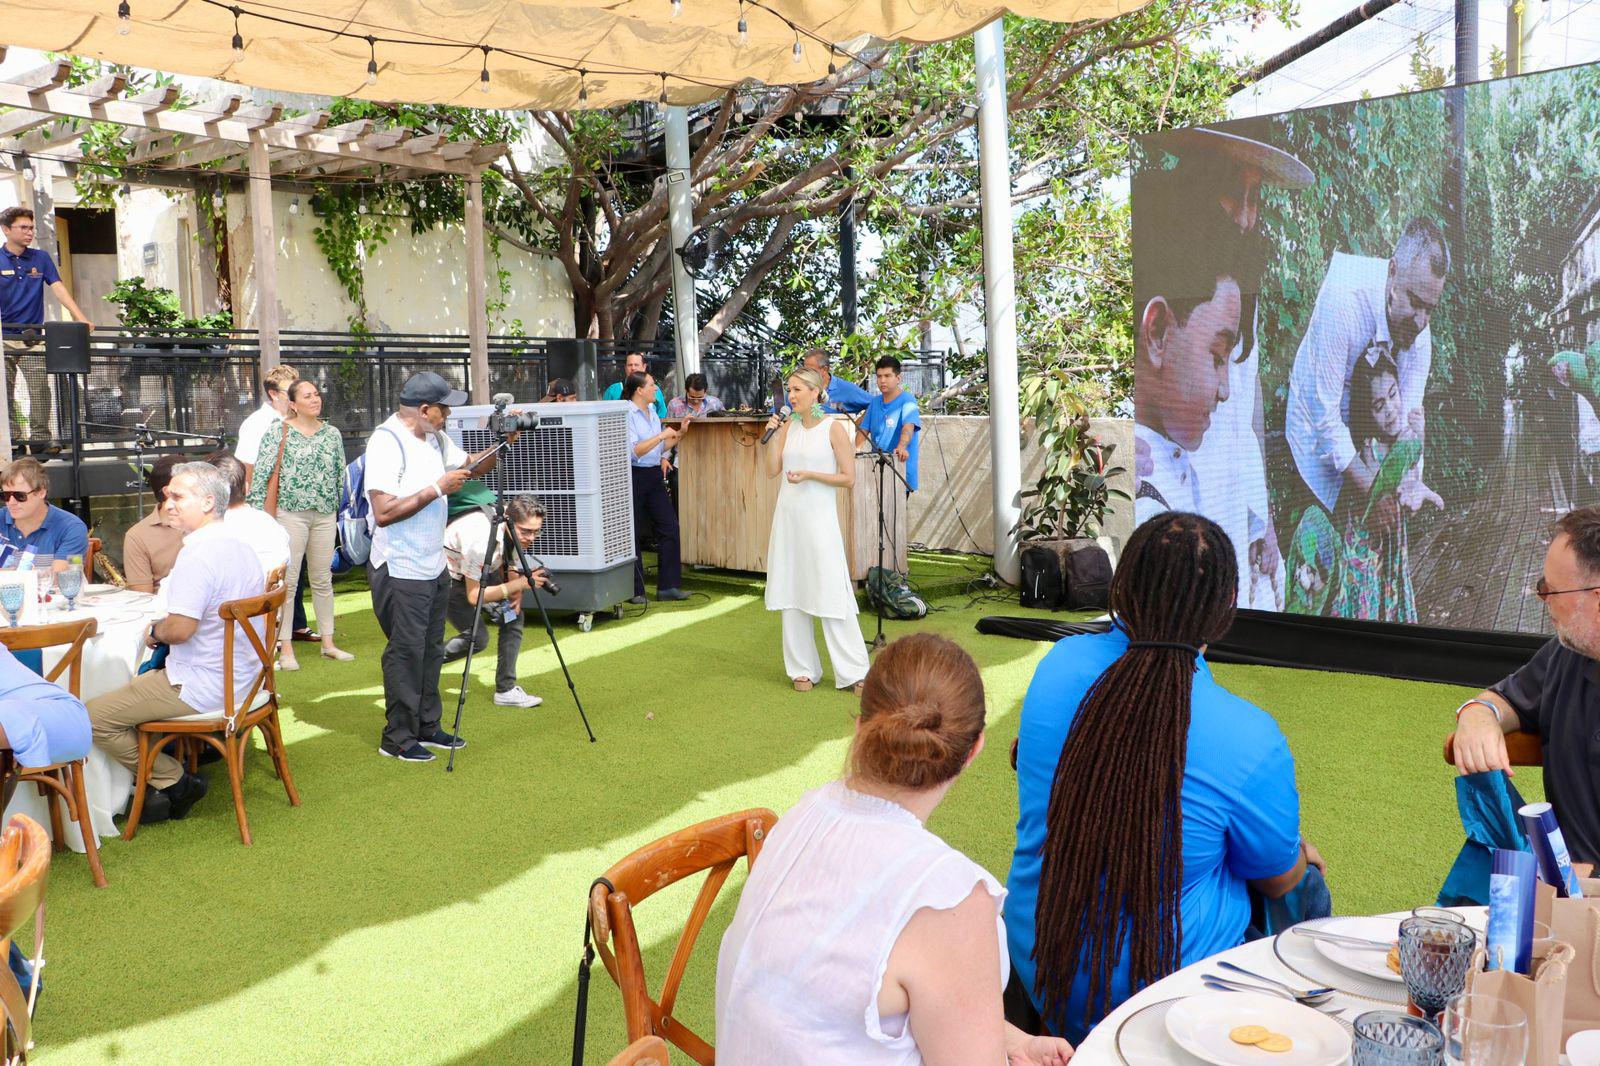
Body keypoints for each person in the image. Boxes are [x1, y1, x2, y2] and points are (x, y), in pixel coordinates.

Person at [1006, 512, 1317, 1043]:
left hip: (1042, 967)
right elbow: (1279, 881)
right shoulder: (1249, 736)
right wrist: (1302, 855)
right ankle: (1306, 1008)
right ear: (1223, 610)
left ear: (1121, 587)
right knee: (1307, 879)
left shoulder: (1057, 665)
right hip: (1165, 998)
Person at [716, 633, 1074, 1066]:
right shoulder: (950, 901)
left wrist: (1009, 1040)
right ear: (973, 750)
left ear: (861, 726)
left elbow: (836, 999)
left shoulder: (802, 815)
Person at [1145, 126, 1313, 610]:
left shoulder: (1243, 278)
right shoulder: (1163, 261)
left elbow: (1247, 399)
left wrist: (1265, 520)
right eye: (1229, 191)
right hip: (1176, 488)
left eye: (1254, 196)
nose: (1243, 216)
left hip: (1232, 493)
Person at [85, 462, 265, 824]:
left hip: (203, 684)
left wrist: (153, 633)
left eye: (179, 496)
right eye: (168, 496)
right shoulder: (240, 545)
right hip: (244, 678)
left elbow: (180, 630)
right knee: (125, 686)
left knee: (91, 717)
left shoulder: (198, 554)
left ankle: (173, 780)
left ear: (209, 502)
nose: (169, 504)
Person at [365, 371, 512, 764]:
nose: (449, 414)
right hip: (398, 567)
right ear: (425, 409)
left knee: (429, 649)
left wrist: (501, 441)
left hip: (433, 564)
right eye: (445, 408)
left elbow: (473, 468)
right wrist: (437, 489)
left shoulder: (435, 436)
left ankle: (427, 725)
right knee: (406, 653)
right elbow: (382, 512)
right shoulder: (386, 441)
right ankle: (396, 737)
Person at [1450, 506, 1600, 864]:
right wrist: (1477, 715)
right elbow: (1506, 700)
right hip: (1567, 896)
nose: (1542, 599)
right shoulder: (1567, 652)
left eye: (1551, 590)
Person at [1287, 218, 1450, 529]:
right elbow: (1326, 420)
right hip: (1314, 444)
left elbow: (1406, 422)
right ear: (1392, 272)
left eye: (1430, 308)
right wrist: (1375, 490)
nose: (1420, 321)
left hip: (1368, 452)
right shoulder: (1344, 301)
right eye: (1414, 303)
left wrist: (1412, 481)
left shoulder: (1420, 333)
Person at [1132, 206, 1250, 525]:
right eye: (1216, 356)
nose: (1224, 391)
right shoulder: (1136, 493)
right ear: (1157, 333)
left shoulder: (1169, 467)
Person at [761, 367, 869, 692]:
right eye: (789, 390)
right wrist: (774, 433)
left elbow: (848, 478)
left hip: (819, 520)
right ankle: (801, 669)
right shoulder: (789, 426)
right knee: (792, 590)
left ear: (815, 392)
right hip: (789, 519)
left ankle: (854, 672)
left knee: (832, 588)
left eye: (796, 390)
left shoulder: (833, 428)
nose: (791, 396)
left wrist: (810, 474)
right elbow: (770, 470)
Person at [1327, 352, 1442, 622]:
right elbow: (1389, 492)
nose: (1390, 409)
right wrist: (1411, 490)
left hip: (1390, 550)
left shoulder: (1403, 438)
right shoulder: (1370, 448)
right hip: (1366, 555)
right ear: (1367, 413)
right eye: (1379, 406)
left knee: (1389, 606)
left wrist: (1420, 435)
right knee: (1366, 611)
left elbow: (1411, 472)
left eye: (1393, 395)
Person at [245, 379, 352, 670]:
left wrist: (335, 506)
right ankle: (286, 648)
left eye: (317, 394)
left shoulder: (332, 433)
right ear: (293, 403)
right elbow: (263, 472)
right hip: (289, 514)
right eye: (307, 396)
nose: (315, 399)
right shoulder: (278, 431)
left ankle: (328, 643)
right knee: (288, 583)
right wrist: (256, 515)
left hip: (324, 514)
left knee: (322, 579)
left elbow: (338, 473)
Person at [441, 486, 549, 709]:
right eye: (526, 532)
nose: (532, 538)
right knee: (477, 639)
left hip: (480, 573)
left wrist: (515, 589)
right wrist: (518, 584)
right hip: (451, 581)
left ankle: (506, 690)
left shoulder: (506, 519)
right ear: (509, 520)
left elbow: (508, 556)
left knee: (513, 617)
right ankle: (420, 667)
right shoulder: (481, 540)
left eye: (536, 531)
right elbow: (474, 596)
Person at [0, 207, 93, 453]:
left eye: (31, 227)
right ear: (6, 229)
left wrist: (81, 318)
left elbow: (58, 287)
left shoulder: (40, 258)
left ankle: (40, 440)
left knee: (40, 388)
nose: (29, 232)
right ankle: (15, 442)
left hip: (34, 337)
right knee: (4, 393)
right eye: (23, 227)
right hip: (3, 337)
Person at [234, 363, 314, 642]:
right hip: (266, 507)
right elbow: (247, 467)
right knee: (273, 566)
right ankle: (272, 629)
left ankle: (295, 624)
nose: (296, 395)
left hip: (293, 503)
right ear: (272, 393)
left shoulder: (298, 420)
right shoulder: (257, 423)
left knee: (296, 562)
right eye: (288, 390)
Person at [624, 371, 689, 605]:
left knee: (669, 526)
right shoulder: (627, 414)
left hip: (652, 475)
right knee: (632, 532)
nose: (656, 388)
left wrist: (680, 434)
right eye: (652, 384)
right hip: (633, 474)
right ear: (639, 390)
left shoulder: (652, 412)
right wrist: (662, 434)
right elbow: (635, 450)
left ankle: (668, 586)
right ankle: (634, 589)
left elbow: (658, 449)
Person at [205, 452, 291, 582]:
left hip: (229, 601)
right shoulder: (270, 525)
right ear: (246, 487)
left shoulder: (208, 531)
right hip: (268, 601)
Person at [0, 458, 88, 571]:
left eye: (19, 496)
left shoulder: (72, 528)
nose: (11, 502)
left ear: (41, 492)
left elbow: (61, 576)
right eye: (5, 496)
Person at [857, 354, 923, 492]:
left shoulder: (907, 400)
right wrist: (855, 451)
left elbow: (908, 427)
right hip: (876, 469)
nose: (882, 380)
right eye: (879, 376)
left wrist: (901, 447)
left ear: (898, 378)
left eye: (887, 376)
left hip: (899, 468)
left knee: (895, 513)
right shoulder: (875, 402)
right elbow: (863, 430)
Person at [122, 455, 187, 594]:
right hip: (165, 609)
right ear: (168, 492)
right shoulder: (138, 536)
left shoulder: (206, 520)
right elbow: (144, 597)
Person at [799, 347, 873, 415]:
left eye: (810, 370)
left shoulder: (846, 389)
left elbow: (876, 404)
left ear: (824, 370)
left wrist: (860, 424)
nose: (806, 373)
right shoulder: (799, 389)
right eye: (805, 370)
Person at [603, 353, 667, 417]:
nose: (633, 368)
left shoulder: (654, 389)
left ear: (644, 367)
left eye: (636, 365)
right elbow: (603, 416)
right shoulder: (613, 390)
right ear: (625, 368)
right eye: (630, 365)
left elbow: (662, 416)